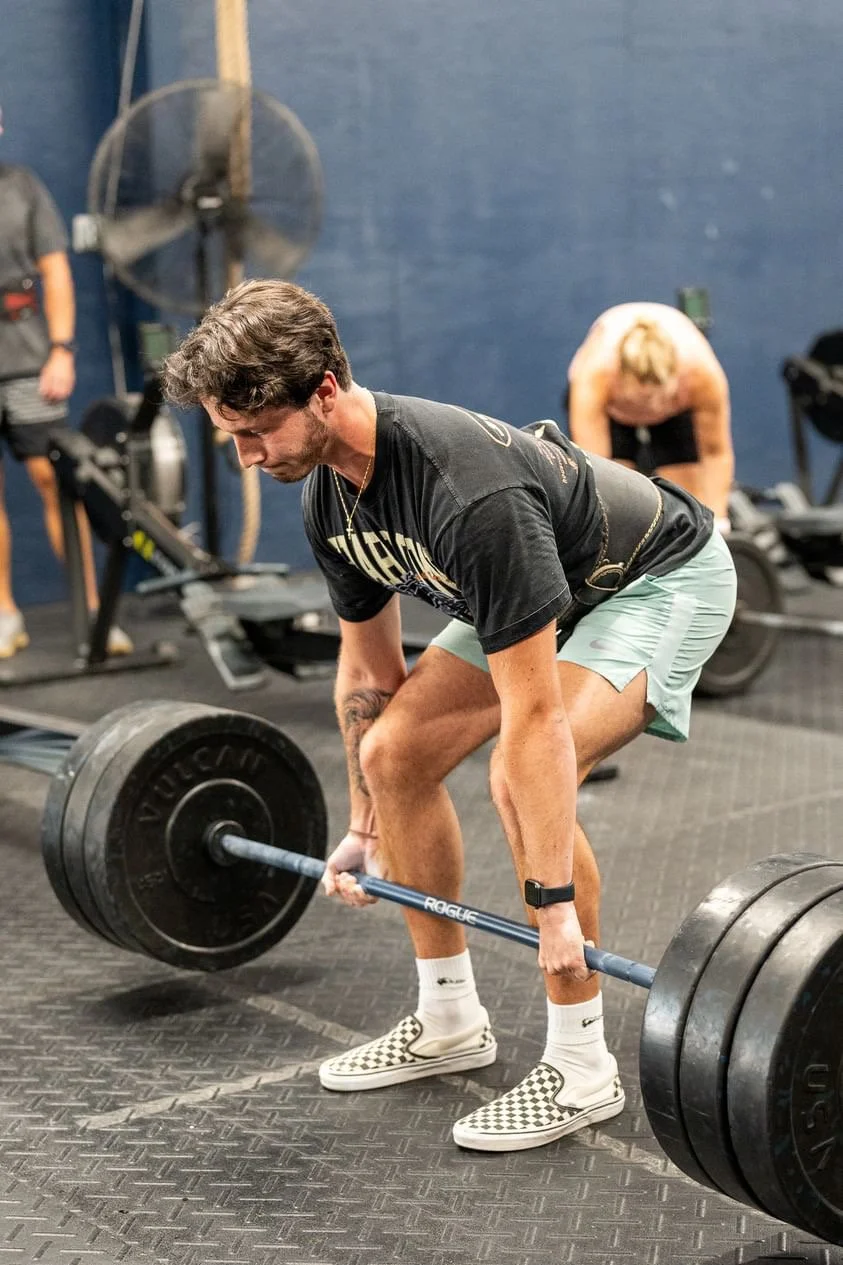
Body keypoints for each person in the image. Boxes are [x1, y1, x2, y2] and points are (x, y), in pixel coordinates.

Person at [162, 279, 737, 1154]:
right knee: (393, 752)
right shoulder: (328, 495)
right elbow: (369, 671)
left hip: (654, 579)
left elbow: (536, 719)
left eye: (256, 432)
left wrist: (552, 909)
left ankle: (581, 1062)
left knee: (517, 775)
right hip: (541, 577)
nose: (245, 457)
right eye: (230, 436)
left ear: (324, 390)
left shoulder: (466, 493)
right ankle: (448, 1017)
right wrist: (365, 825)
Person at [0, 107, 131, 658]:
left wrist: (61, 350)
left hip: (29, 360)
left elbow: (55, 270)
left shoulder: (21, 187)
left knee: (54, 481)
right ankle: (4, 614)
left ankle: (94, 610)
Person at [566, 302, 734, 529]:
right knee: (616, 498)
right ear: (620, 380)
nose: (652, 408)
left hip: (676, 411)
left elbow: (715, 454)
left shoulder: (701, 376)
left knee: (687, 502)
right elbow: (594, 468)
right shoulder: (595, 376)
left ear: (676, 379)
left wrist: (719, 523)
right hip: (613, 413)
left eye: (662, 399)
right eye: (642, 400)